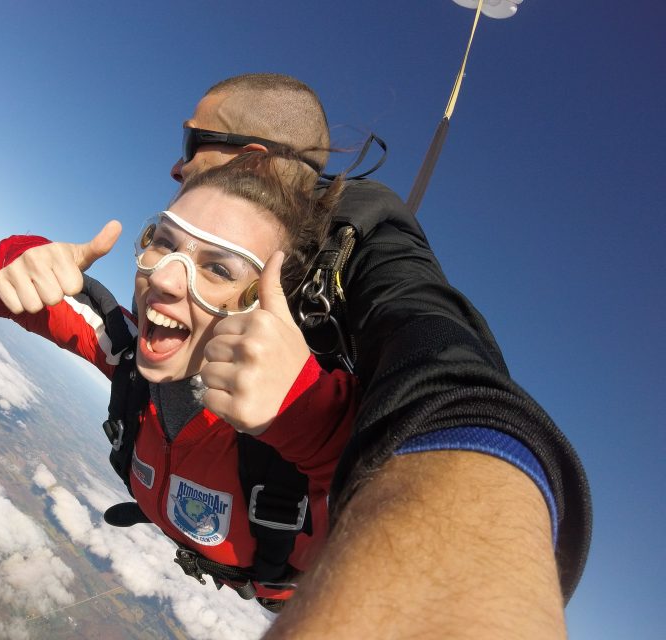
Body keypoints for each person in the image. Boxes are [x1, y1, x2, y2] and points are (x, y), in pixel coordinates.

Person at [165, 74, 591, 638]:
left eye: (193, 140)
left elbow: (439, 357)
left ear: (249, 158)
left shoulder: (364, 240)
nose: (177, 165)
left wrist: (467, 482)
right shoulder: (191, 248)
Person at [0, 153, 358, 609]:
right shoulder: (128, 354)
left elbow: (397, 498)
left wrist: (304, 410)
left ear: (266, 304)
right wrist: (24, 258)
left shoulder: (310, 429)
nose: (166, 278)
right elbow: (4, 294)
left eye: (218, 268)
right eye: (162, 242)